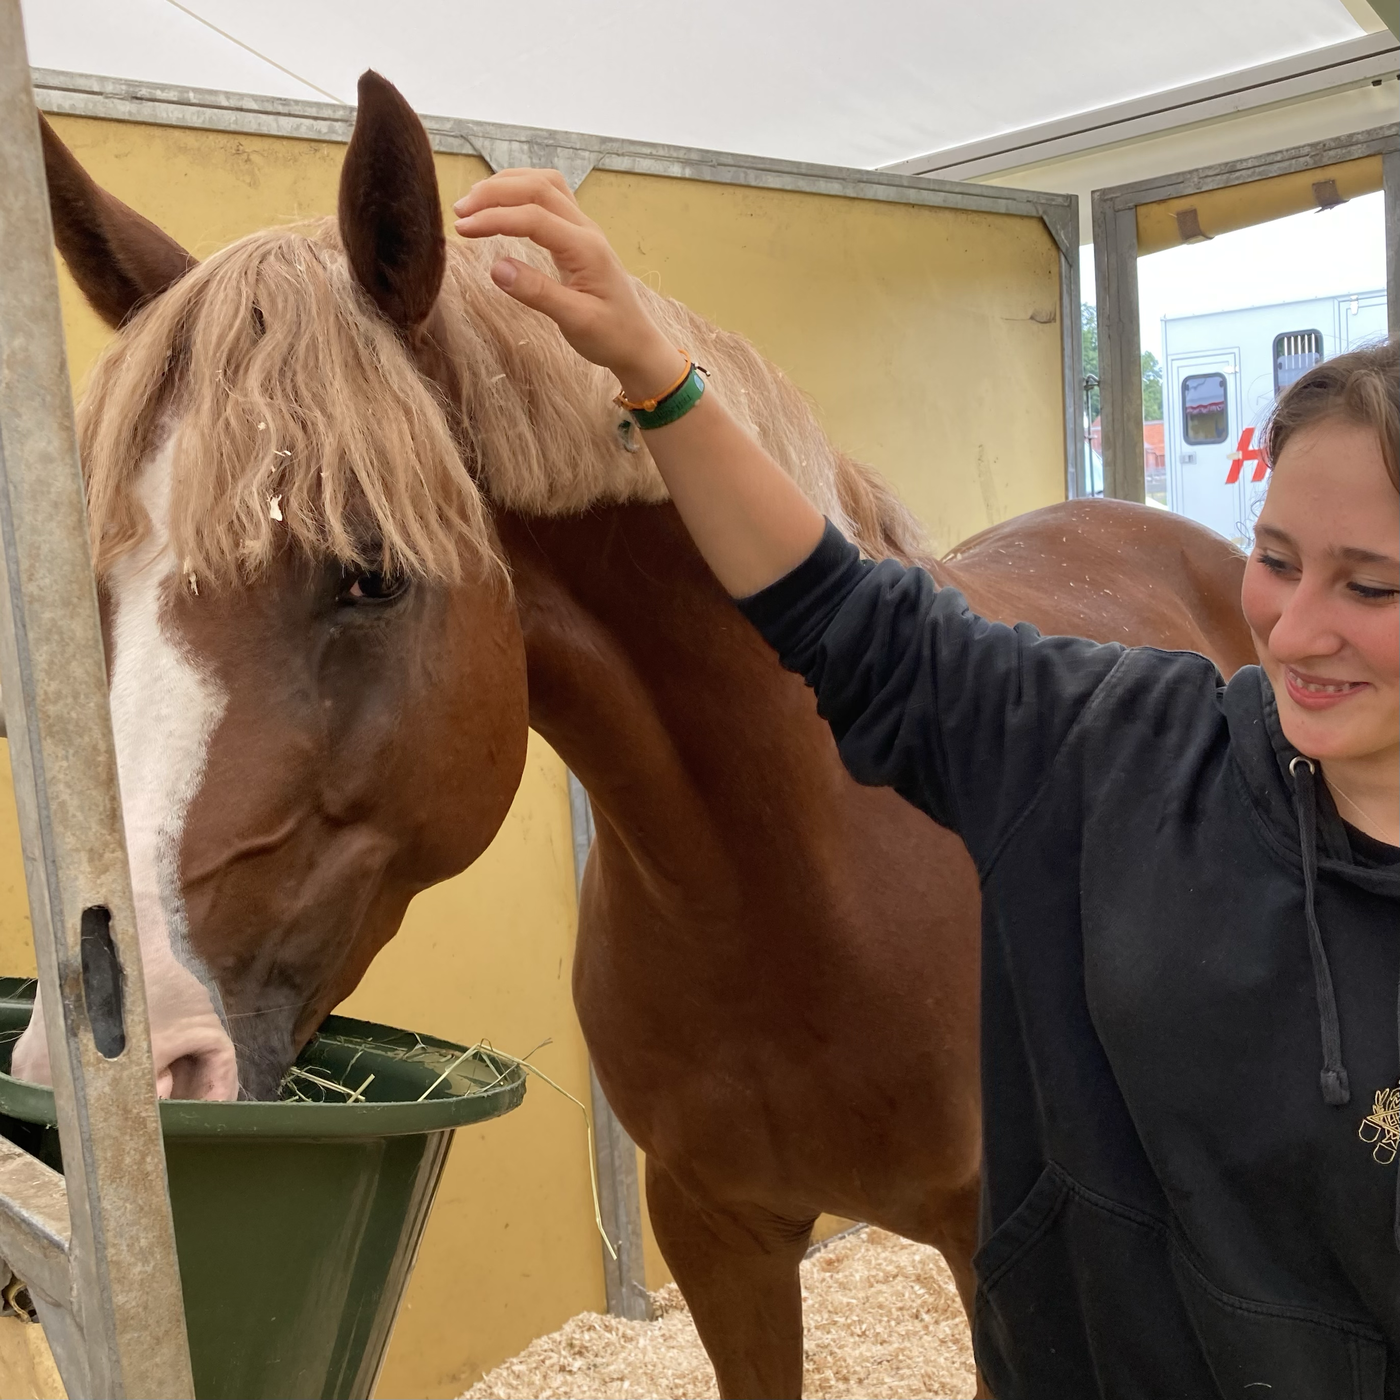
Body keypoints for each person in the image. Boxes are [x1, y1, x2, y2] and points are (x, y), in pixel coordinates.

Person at [453, 169, 1399, 1398]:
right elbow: (853, 624)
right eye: (1273, 560)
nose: (1291, 627)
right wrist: (651, 365)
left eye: (1367, 585)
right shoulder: (1134, 750)